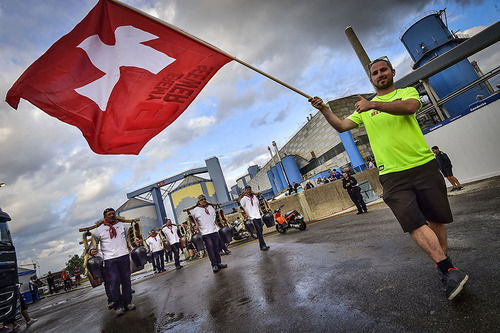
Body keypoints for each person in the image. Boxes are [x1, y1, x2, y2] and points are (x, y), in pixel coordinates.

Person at [309, 57, 468, 301]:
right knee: (413, 221)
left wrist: (375, 106)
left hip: (423, 165)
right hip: (392, 174)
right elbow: (341, 126)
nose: (380, 74)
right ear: (371, 79)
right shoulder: (363, 110)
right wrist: (325, 110)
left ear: (392, 72)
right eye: (375, 73)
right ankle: (447, 268)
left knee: (436, 218)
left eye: (384, 70)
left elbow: (409, 108)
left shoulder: (406, 92)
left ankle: (444, 266)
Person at [90, 208, 136, 316]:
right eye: (109, 214)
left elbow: (128, 239)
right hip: (110, 260)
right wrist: (92, 249)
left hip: (124, 256)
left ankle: (128, 302)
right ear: (105, 217)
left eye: (113, 214)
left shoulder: (122, 226)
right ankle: (118, 306)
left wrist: (133, 244)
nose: (112, 215)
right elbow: (94, 244)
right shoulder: (98, 230)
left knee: (126, 281)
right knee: (114, 282)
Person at [189, 195, 228, 273]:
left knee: (217, 248)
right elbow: (191, 219)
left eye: (204, 199)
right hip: (205, 233)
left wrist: (221, 222)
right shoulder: (196, 210)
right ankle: (214, 265)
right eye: (201, 200)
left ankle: (219, 263)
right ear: (198, 201)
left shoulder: (210, 207)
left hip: (214, 231)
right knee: (210, 249)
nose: (203, 200)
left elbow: (215, 217)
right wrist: (194, 226)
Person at [240, 186, 270, 251]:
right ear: (245, 190)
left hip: (258, 216)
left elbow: (258, 205)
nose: (249, 190)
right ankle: (263, 245)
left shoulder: (254, 197)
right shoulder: (244, 199)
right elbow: (242, 206)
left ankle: (261, 245)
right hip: (252, 217)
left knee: (260, 231)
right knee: (258, 231)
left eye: (250, 189)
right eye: (247, 189)